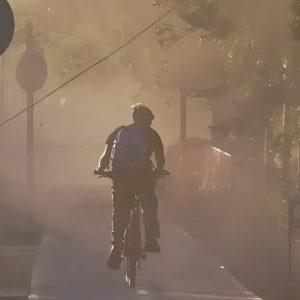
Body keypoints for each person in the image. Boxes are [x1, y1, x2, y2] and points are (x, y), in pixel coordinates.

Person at [96, 103, 166, 270]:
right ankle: (151, 239)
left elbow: (106, 156)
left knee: (120, 211)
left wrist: (100, 169)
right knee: (149, 204)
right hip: (144, 178)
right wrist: (160, 170)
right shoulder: (152, 134)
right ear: (148, 120)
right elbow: (160, 158)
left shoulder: (120, 132)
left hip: (122, 178)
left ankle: (117, 245)